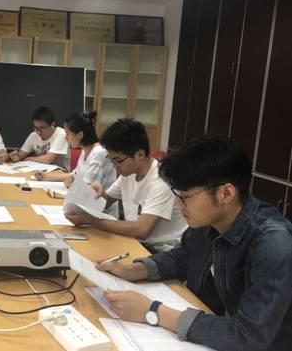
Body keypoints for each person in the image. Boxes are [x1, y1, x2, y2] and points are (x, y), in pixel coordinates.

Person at [95, 135, 292, 351]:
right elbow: (183, 257)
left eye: (186, 197)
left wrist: (153, 311)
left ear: (226, 193)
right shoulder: (209, 220)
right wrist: (133, 270)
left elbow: (248, 336)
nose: (179, 205)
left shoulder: (273, 242)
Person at [65, 118, 186, 252]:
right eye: (111, 160)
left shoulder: (161, 179)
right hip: (135, 241)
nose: (115, 166)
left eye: (117, 160)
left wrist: (90, 220)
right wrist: (95, 191)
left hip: (161, 250)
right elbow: (106, 201)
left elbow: (142, 229)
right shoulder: (129, 174)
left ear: (140, 154)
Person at [33, 111, 118, 216]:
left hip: (102, 213)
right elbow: (74, 176)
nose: (65, 138)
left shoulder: (98, 153)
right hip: (86, 208)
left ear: (80, 135)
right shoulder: (85, 150)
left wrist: (72, 185)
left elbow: (86, 191)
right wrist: (46, 176)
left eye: (68, 134)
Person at [9, 106, 69, 170]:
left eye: (42, 128)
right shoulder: (33, 135)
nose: (38, 132)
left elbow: (48, 160)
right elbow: (20, 156)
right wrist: (15, 157)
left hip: (62, 172)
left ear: (52, 124)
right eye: (36, 128)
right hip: (42, 170)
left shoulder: (62, 134)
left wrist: (28, 159)